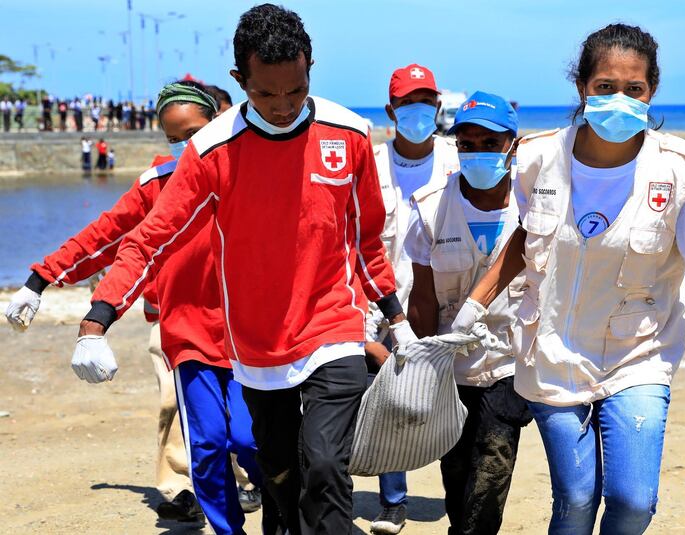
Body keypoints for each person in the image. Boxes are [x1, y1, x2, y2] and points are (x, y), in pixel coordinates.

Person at [68, 5, 409, 534]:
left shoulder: (350, 135)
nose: (283, 107)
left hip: (333, 326)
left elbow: (365, 241)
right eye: (266, 94)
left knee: (324, 465)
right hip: (255, 345)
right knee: (279, 476)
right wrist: (98, 319)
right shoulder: (212, 151)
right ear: (239, 80)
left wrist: (396, 317)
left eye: (295, 91)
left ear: (310, 66)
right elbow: (151, 239)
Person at [451, 23, 685, 535]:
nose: (619, 99)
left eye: (634, 89)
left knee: (632, 501)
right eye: (605, 87)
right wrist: (475, 305)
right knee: (575, 496)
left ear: (651, 90)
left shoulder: (679, 171)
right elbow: (526, 238)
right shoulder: (539, 158)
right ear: (582, 88)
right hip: (552, 354)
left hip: (640, 354)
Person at [6, 81, 281, 534]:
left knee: (251, 440)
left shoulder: (249, 170)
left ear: (217, 121)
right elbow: (104, 239)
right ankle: (224, 525)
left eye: (194, 131)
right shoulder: (157, 184)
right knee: (207, 442)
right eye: (174, 138)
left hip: (252, 335)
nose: (186, 145)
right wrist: (40, 280)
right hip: (188, 333)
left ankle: (280, 516)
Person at [406, 91, 532, 535]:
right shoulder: (429, 207)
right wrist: (415, 357)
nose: (477, 153)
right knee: (456, 471)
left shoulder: (532, 204)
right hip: (450, 365)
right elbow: (421, 298)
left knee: (492, 468)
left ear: (512, 146)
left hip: (509, 363)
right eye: (467, 144)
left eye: (489, 144)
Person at [366, 63, 460, 535]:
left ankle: (460, 497)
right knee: (387, 399)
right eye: (407, 104)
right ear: (391, 110)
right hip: (376, 299)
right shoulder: (371, 162)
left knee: (450, 399)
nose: (417, 112)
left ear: (438, 107)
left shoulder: (455, 160)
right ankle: (393, 499)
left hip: (443, 296)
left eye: (425, 103)